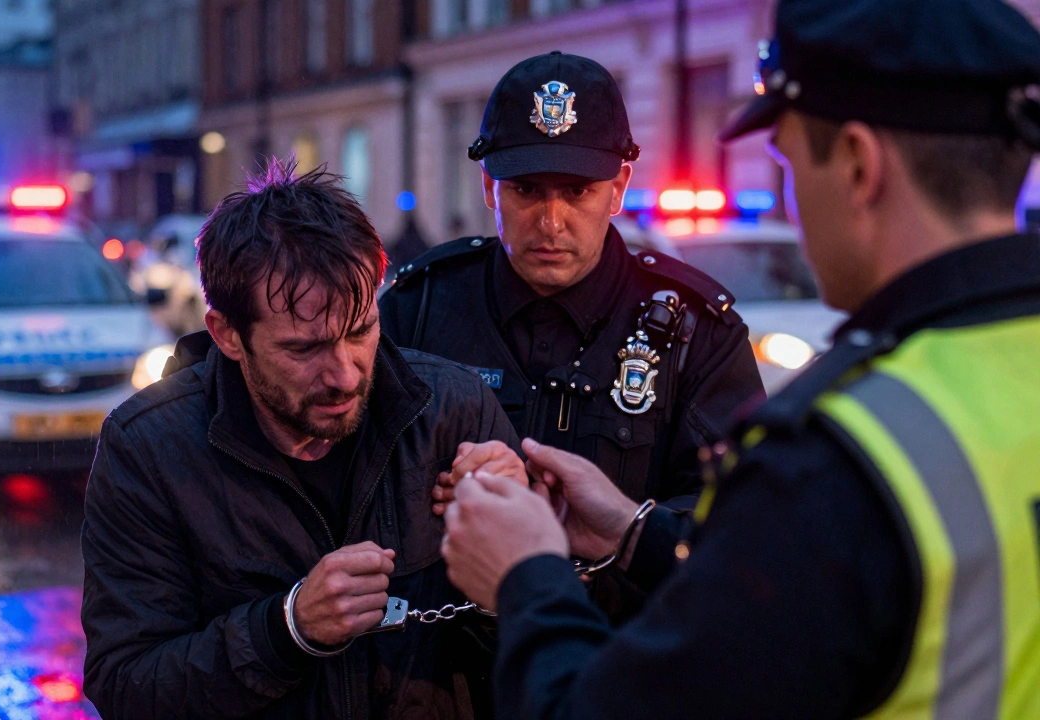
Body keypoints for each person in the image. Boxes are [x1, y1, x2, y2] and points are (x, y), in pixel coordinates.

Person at [439, 0, 1040, 717]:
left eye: (785, 159)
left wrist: (526, 575)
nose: (791, 198)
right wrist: (635, 531)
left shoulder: (831, 464)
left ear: (856, 163)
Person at [81, 159, 524, 719]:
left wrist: (517, 566)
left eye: (359, 331)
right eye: (303, 348)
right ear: (228, 335)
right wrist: (285, 628)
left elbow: (544, 652)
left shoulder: (454, 410)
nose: (344, 373)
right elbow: (127, 688)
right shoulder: (149, 447)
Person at [379, 51, 764, 619]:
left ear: (618, 188)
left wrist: (628, 529)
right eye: (527, 190)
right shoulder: (420, 308)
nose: (551, 222)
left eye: (578, 191)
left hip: (615, 666)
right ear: (490, 188)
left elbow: (744, 527)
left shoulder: (695, 333)